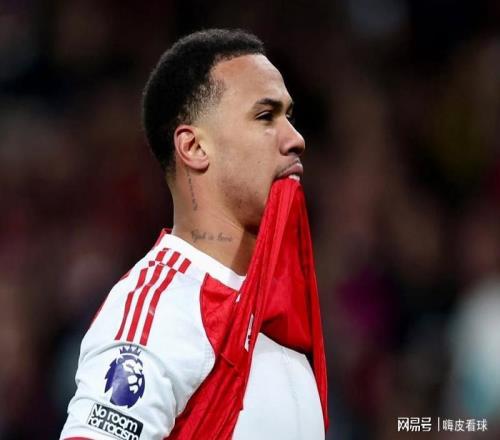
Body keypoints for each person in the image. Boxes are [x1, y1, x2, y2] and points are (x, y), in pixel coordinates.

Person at [60, 28, 327, 440]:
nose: (296, 139)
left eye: (289, 117)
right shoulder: (160, 312)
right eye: (265, 117)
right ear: (195, 147)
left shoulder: (281, 314)